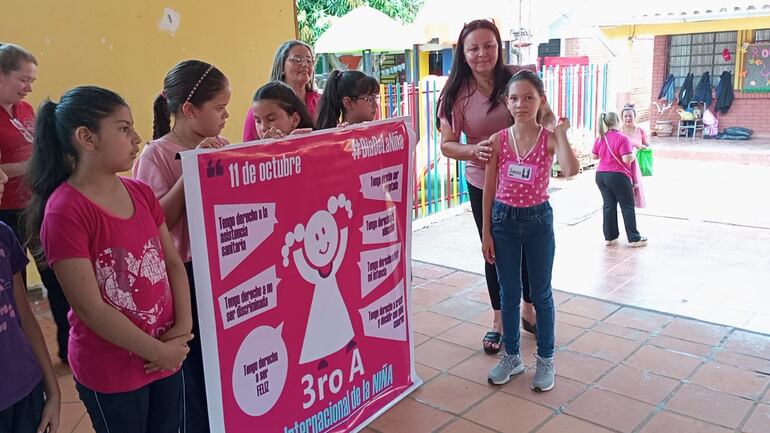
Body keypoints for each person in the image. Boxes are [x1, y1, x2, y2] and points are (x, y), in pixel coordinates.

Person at [27, 86, 193, 433]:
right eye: (123, 128)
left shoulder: (140, 193)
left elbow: (172, 263)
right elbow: (92, 310)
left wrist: (182, 328)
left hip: (165, 351)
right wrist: (159, 352)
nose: (136, 138)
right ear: (87, 138)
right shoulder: (65, 211)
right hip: (113, 370)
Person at [436, 20, 555, 354]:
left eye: (489, 46)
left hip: (529, 186)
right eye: (473, 48)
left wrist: (553, 131)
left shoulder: (518, 77)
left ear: (499, 47)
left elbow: (545, 115)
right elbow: (446, 145)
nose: (482, 54)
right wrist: (473, 150)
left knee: (532, 249)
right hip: (483, 183)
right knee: (494, 251)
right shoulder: (455, 94)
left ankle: (528, 308)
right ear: (463, 52)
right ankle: (500, 319)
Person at [134, 59, 229, 433]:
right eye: (219, 108)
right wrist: (195, 167)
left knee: (220, 358)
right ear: (190, 110)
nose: (226, 116)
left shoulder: (219, 144)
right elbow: (158, 221)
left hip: (220, 268)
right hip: (184, 275)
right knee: (192, 364)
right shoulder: (154, 155)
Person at [481, 70, 578, 391]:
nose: (520, 104)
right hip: (503, 222)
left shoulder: (548, 139)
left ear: (540, 101)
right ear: (506, 103)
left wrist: (560, 131)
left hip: (537, 223)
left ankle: (546, 360)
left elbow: (570, 169)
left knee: (541, 294)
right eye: (513, 98)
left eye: (528, 98)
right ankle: (512, 357)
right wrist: (487, 232)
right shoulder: (498, 140)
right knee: (508, 292)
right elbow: (489, 189)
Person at [0, 43, 70, 363]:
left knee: (55, 276)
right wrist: (26, 168)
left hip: (35, 205)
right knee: (12, 285)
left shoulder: (26, 110)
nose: (29, 87)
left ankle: (69, 347)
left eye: (32, 81)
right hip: (6, 211)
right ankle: (21, 356)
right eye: (23, 79)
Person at [0, 166, 60, 433]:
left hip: (26, 392)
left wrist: (53, 390)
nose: (4, 177)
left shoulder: (4, 236)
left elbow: (25, 316)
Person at [242, 40, 320, 141]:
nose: (305, 64)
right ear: (282, 66)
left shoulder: (321, 102)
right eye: (297, 59)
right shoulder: (259, 110)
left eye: (309, 60)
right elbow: (248, 151)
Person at [592, 111, 647, 247]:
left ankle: (610, 237)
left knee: (608, 205)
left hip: (601, 176)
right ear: (617, 120)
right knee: (627, 205)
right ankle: (634, 238)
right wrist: (633, 153)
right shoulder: (622, 138)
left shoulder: (600, 138)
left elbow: (594, 156)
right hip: (618, 176)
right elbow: (626, 159)